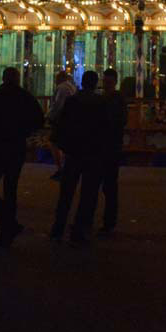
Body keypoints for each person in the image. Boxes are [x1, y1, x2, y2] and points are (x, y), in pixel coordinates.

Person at [0, 66, 44, 248]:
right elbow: (38, 119)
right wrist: (24, 132)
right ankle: (9, 225)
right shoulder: (25, 97)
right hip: (16, 146)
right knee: (11, 188)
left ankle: (7, 224)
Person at [50, 70, 110, 245]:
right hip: (93, 153)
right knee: (88, 194)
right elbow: (105, 127)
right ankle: (79, 230)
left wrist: (62, 143)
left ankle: (58, 228)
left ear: (82, 83)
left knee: (66, 193)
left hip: (74, 151)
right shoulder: (100, 102)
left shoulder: (73, 101)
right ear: (95, 83)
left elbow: (63, 123)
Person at [99, 68, 128, 235]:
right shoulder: (103, 98)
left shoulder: (117, 99)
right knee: (103, 185)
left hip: (111, 147)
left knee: (109, 186)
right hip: (104, 147)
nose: (106, 85)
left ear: (115, 82)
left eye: (108, 82)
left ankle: (109, 221)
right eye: (105, 82)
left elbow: (122, 120)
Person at [46, 70, 77, 180]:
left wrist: (49, 116)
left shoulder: (62, 88)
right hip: (69, 120)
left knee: (54, 143)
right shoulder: (71, 87)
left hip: (61, 121)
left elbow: (58, 105)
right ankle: (64, 168)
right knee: (62, 144)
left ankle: (61, 169)